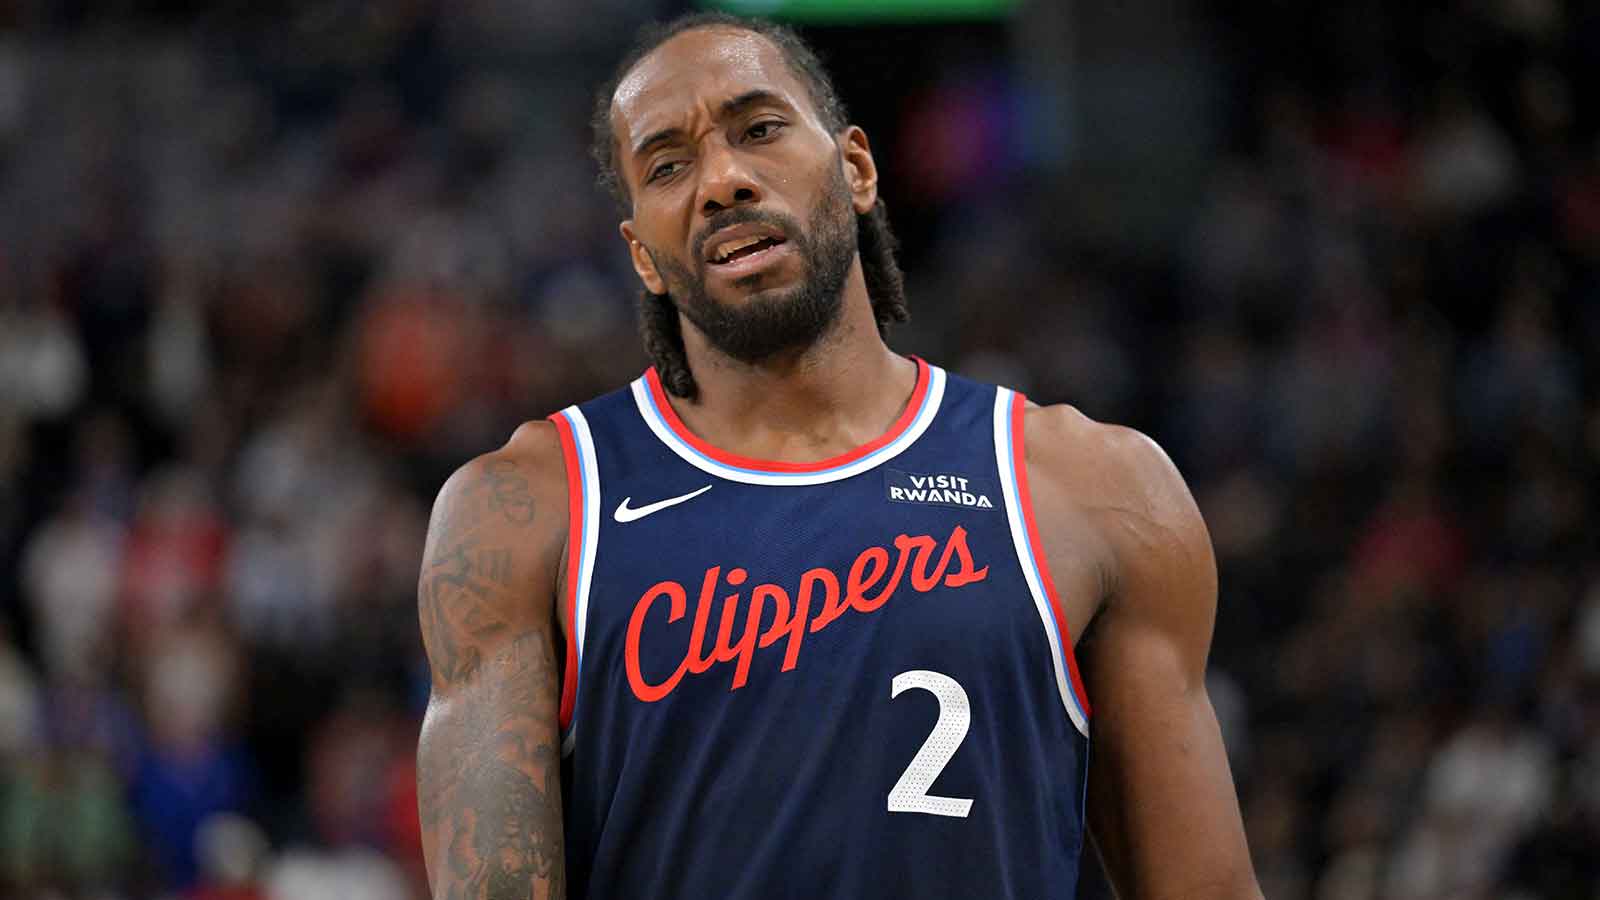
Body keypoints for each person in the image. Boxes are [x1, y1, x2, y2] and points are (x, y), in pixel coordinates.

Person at [415, 12, 1261, 900]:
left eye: (760, 129)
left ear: (855, 168)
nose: (722, 181)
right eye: (666, 166)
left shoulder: (1093, 487)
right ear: (644, 258)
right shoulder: (529, 509)